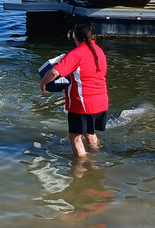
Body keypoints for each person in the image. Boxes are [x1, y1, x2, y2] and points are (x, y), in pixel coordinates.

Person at [40, 24, 109, 157]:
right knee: (90, 132)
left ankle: (82, 168)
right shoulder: (99, 51)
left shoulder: (77, 53)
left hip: (83, 103)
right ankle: (97, 158)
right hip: (101, 101)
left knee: (75, 137)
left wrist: (43, 83)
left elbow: (54, 72)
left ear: (75, 37)